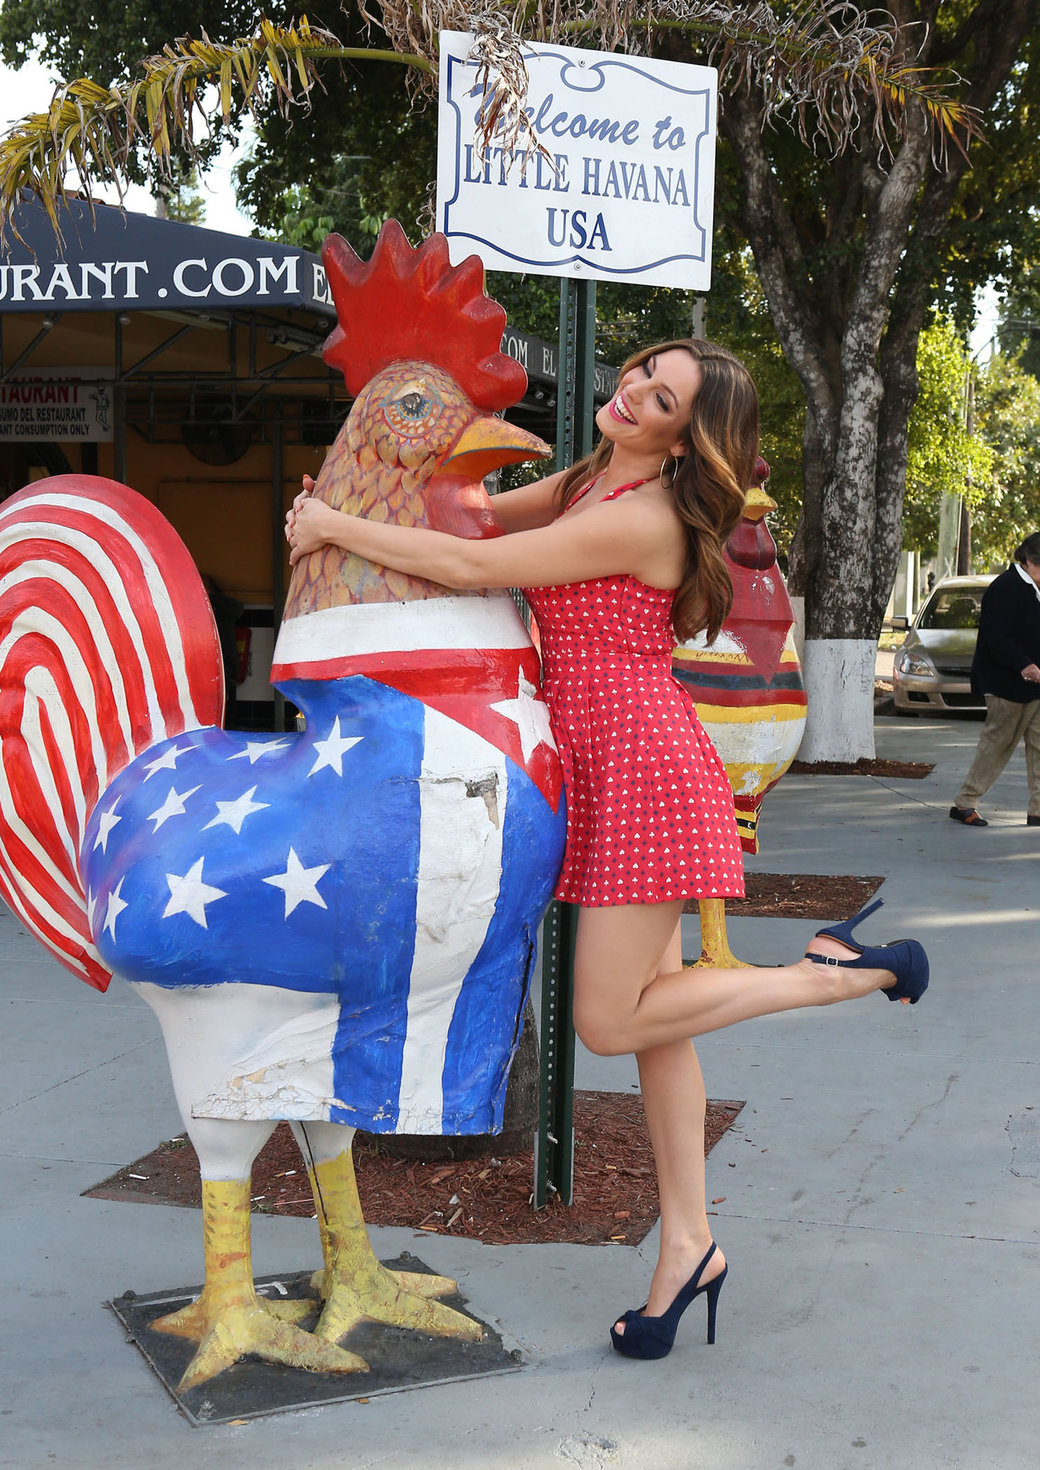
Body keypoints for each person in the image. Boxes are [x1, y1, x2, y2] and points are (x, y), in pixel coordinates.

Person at [286, 338, 929, 1360]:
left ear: (687, 438)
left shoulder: (642, 516)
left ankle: (829, 976)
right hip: (594, 762)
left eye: (659, 396)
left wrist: (327, 521)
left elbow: (472, 564)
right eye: (637, 373)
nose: (629, 394)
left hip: (636, 768)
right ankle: (688, 1245)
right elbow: (476, 516)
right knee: (660, 1031)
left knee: (605, 1023)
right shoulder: (592, 480)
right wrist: (365, 496)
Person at [950, 532, 1040, 828]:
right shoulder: (1006, 588)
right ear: (1029, 561)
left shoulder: (1036, 587)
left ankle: (1037, 810)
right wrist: (1024, 664)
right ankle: (965, 803)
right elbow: (996, 637)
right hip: (1006, 684)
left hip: (1036, 686)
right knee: (998, 744)